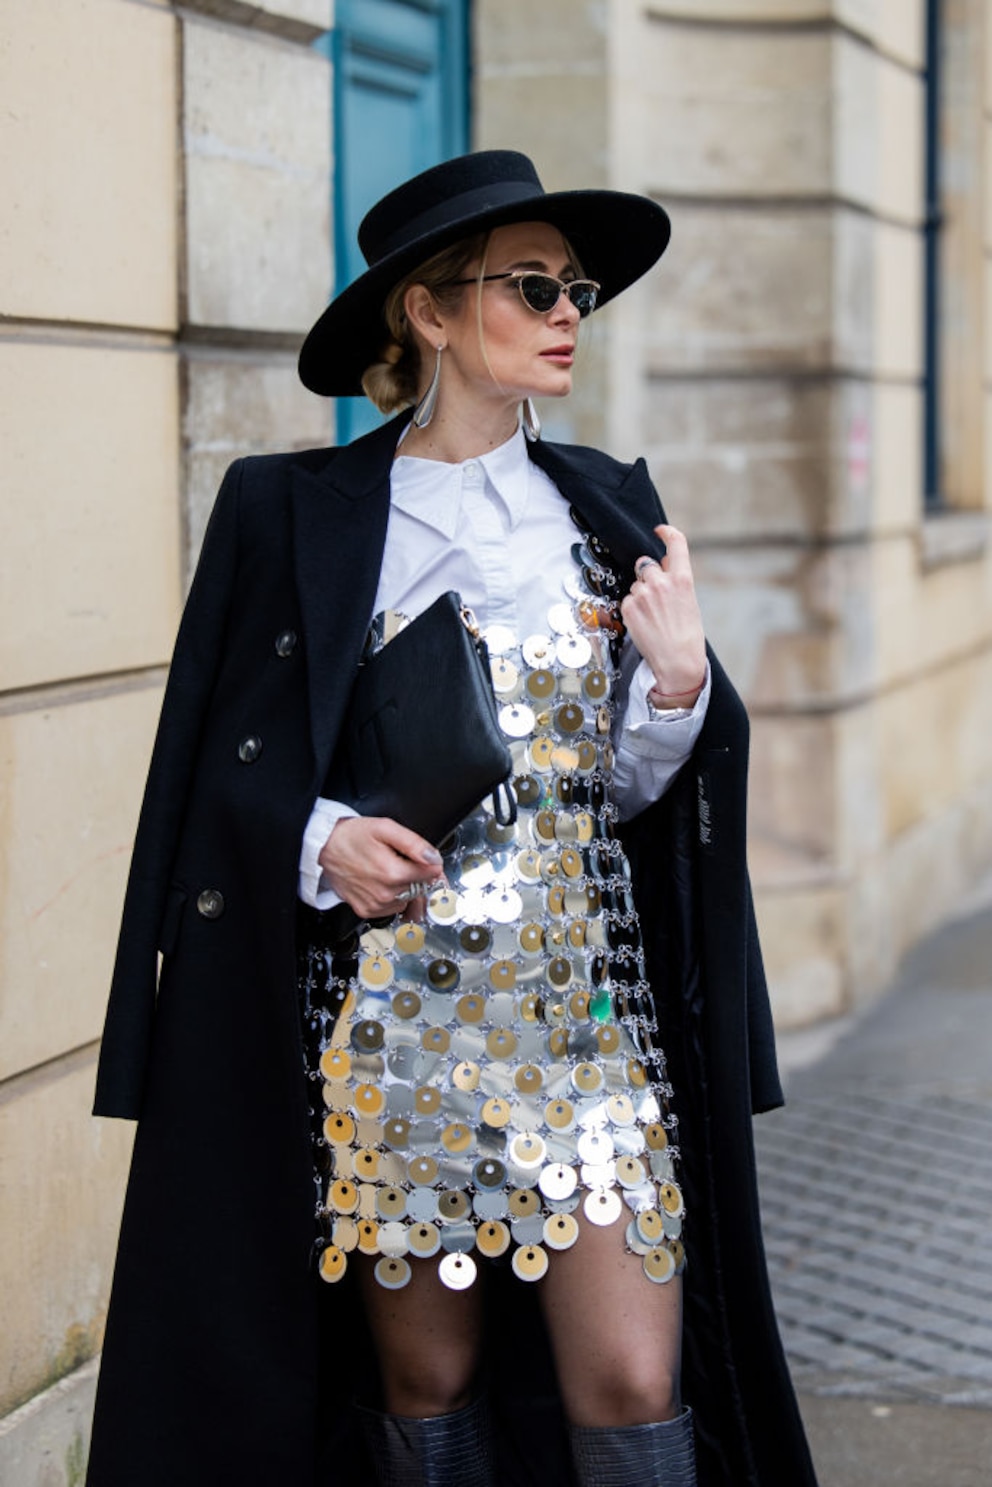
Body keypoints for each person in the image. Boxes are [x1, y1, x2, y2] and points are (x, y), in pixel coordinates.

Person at [86, 152, 818, 1487]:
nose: (568, 317)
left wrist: (678, 681)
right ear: (429, 312)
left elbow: (631, 804)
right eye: (533, 287)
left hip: (592, 1027)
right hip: (398, 1030)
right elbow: (215, 766)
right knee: (426, 1388)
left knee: (637, 1380)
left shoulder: (611, 507)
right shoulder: (287, 511)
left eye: (577, 291)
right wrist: (320, 842)